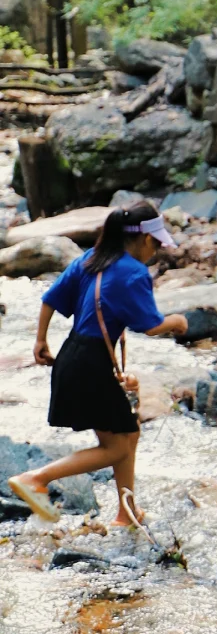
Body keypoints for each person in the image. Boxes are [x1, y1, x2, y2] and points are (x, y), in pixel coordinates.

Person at [7, 202, 188, 526]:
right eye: (157, 244)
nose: (157, 251)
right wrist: (176, 321)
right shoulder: (134, 272)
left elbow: (50, 298)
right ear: (146, 240)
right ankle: (36, 478)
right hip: (90, 365)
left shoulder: (89, 260)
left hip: (73, 356)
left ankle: (126, 511)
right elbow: (149, 325)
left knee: (126, 434)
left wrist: (40, 341)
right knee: (117, 446)